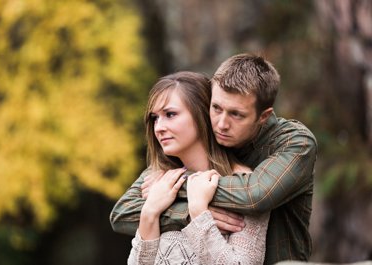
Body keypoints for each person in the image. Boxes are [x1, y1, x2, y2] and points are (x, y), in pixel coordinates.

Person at [112, 54, 317, 264]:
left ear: (263, 116)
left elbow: (255, 194)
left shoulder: (294, 142)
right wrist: (177, 210)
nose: (221, 124)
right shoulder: (171, 167)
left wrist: (185, 191)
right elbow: (123, 213)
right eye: (216, 108)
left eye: (236, 114)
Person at [127, 71, 268, 264]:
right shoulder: (160, 183)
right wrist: (150, 212)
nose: (158, 127)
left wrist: (198, 211)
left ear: (202, 113)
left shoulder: (245, 185)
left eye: (170, 114)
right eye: (155, 118)